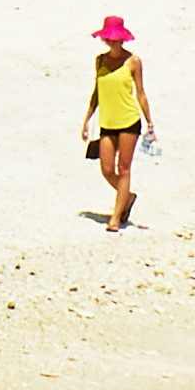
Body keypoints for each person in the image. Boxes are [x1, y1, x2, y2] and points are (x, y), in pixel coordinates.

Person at [83, 18, 152, 231]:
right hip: (107, 121)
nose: (112, 43)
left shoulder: (133, 61)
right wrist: (87, 119)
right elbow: (97, 91)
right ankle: (127, 197)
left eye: (116, 39)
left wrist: (149, 121)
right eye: (109, 39)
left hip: (129, 120)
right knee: (106, 169)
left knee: (123, 169)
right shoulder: (100, 61)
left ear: (122, 40)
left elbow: (140, 93)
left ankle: (115, 217)